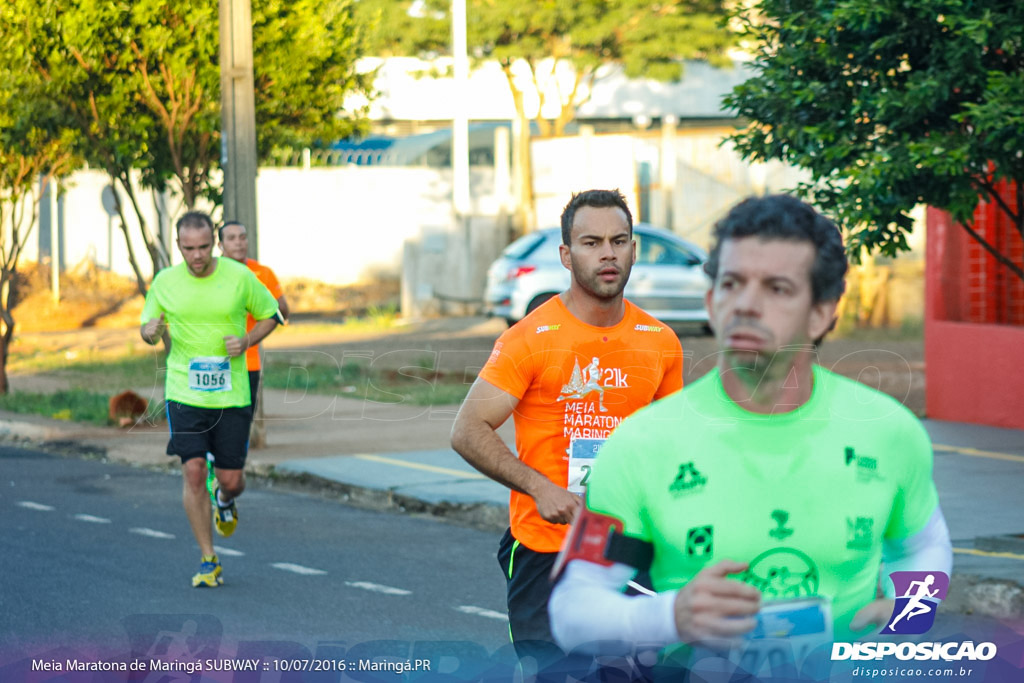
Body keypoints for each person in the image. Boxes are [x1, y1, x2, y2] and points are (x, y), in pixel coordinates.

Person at [548, 194, 953, 666]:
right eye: (732, 284)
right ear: (710, 300)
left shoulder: (889, 432)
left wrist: (909, 615)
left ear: (822, 312)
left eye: (777, 288)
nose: (746, 305)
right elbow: (572, 609)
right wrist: (670, 617)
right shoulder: (640, 446)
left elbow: (924, 545)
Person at [450, 189, 685, 670]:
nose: (607, 254)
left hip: (629, 545)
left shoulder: (660, 342)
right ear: (566, 254)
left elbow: (672, 447)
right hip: (544, 547)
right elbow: (468, 430)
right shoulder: (529, 339)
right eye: (591, 242)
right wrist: (540, 488)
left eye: (619, 241)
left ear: (634, 251)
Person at [140, 211, 281, 588]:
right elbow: (147, 327)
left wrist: (248, 341)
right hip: (184, 392)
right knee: (193, 470)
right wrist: (149, 331)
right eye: (189, 249)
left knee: (232, 480)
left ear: (213, 244)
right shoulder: (165, 282)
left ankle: (225, 499)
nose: (197, 256)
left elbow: (273, 314)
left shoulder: (239, 276)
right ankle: (208, 559)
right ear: (179, 246)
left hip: (231, 394)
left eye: (204, 247)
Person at [218, 220, 290, 412]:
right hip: (212, 364)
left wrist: (259, 301)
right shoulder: (211, 274)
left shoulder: (261, 273)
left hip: (247, 363)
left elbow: (282, 311)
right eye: (231, 238)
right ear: (220, 245)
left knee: (240, 426)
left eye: (242, 237)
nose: (238, 243)